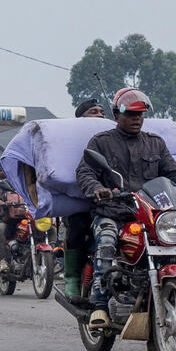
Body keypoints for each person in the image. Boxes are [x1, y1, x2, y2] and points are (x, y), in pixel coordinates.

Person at [76, 87, 176, 329]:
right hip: (112, 212)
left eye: (140, 115)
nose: (136, 119)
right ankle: (100, 305)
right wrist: (97, 189)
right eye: (131, 114)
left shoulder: (155, 143)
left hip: (149, 215)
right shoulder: (101, 142)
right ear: (117, 116)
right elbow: (85, 172)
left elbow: (173, 173)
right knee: (107, 241)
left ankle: (173, 293)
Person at [64, 98, 108, 298]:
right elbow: (84, 171)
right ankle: (72, 277)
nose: (100, 114)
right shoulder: (73, 139)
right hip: (84, 199)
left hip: (117, 201)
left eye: (102, 111)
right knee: (79, 226)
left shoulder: (113, 139)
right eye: (94, 112)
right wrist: (95, 187)